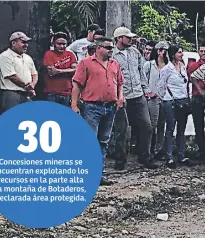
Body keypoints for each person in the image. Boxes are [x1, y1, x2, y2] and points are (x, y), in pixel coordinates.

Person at [71, 36, 123, 186]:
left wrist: (120, 97)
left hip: (110, 106)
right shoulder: (86, 63)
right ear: (99, 48)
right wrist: (74, 104)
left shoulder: (114, 64)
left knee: (103, 141)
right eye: (108, 47)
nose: (111, 50)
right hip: (92, 106)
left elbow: (120, 83)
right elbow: (77, 84)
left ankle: (99, 174)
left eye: (112, 48)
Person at [110, 27, 157, 170]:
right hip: (122, 96)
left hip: (137, 94)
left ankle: (145, 157)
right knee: (121, 129)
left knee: (147, 126)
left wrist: (145, 89)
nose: (130, 39)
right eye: (127, 37)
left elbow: (140, 72)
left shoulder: (135, 52)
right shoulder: (112, 54)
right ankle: (120, 159)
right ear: (119, 38)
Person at [157, 45, 192, 169]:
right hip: (170, 101)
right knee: (170, 128)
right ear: (173, 54)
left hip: (182, 100)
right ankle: (169, 156)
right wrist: (165, 98)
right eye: (179, 53)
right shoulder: (167, 69)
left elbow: (185, 84)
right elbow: (161, 86)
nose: (182, 55)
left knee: (181, 129)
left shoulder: (182, 67)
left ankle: (181, 155)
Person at [0, 32, 37, 113]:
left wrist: (32, 85)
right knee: (12, 120)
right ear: (13, 43)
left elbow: (34, 74)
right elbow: (12, 76)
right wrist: (28, 87)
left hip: (26, 94)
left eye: (27, 42)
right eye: (23, 42)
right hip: (12, 94)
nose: (26, 45)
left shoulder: (28, 57)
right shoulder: (5, 56)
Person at [143, 41, 169, 159]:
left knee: (161, 125)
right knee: (151, 126)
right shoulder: (149, 65)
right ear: (159, 52)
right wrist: (148, 92)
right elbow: (142, 80)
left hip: (165, 99)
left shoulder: (169, 67)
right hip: (152, 99)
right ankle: (147, 150)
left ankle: (159, 150)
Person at [187, 43, 205, 161]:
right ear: (198, 52)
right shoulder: (193, 66)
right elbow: (188, 80)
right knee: (198, 125)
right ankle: (202, 151)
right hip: (197, 98)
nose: (203, 54)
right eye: (201, 51)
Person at [43, 32, 77, 107]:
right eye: (59, 44)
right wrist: (68, 70)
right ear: (54, 44)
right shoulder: (49, 54)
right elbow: (51, 72)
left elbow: (76, 70)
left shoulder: (70, 54)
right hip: (52, 92)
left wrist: (59, 71)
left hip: (67, 92)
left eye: (64, 44)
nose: (62, 46)